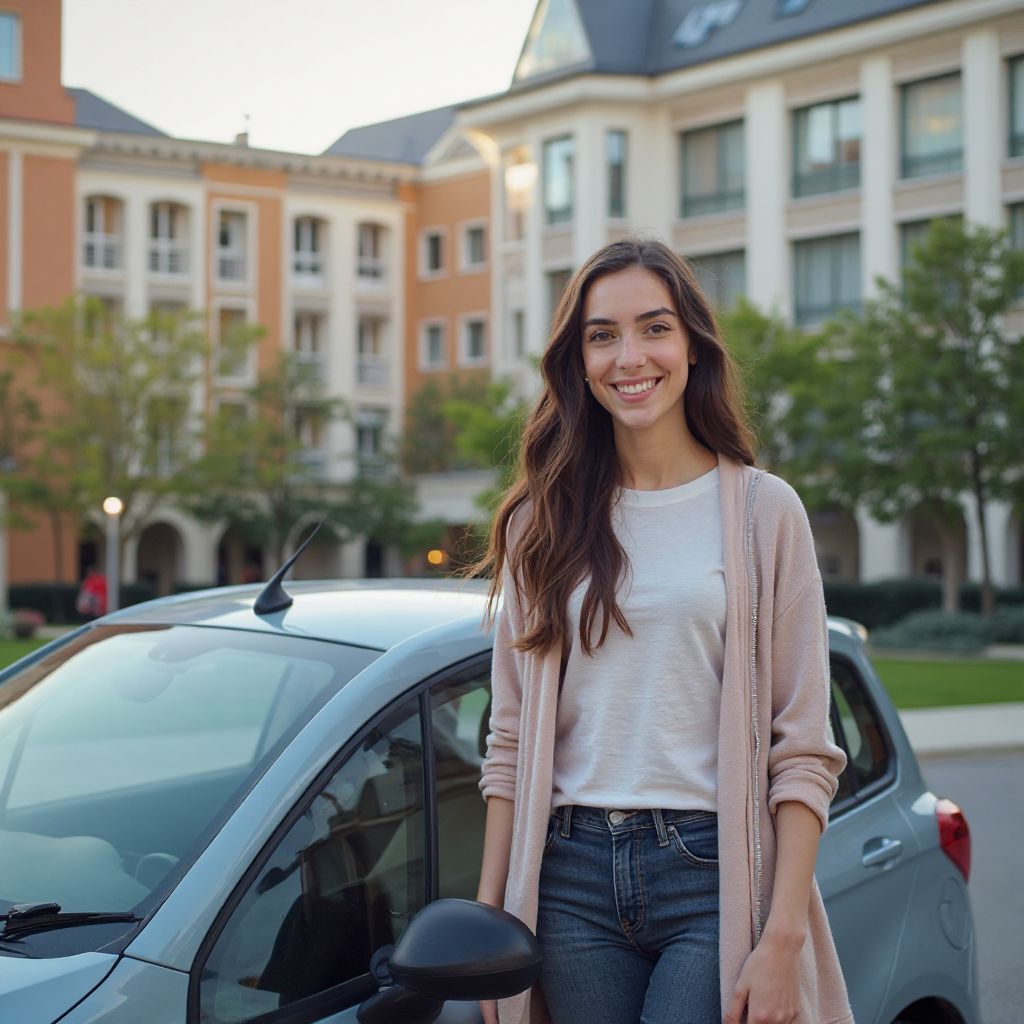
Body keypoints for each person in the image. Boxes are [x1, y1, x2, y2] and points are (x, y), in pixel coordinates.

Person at [474, 238, 852, 1024]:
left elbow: (804, 748)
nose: (629, 356)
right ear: (577, 360)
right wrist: (491, 919)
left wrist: (783, 939)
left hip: (710, 873)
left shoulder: (763, 511)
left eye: (654, 327)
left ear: (691, 346)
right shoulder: (539, 521)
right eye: (602, 335)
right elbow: (508, 742)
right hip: (567, 879)